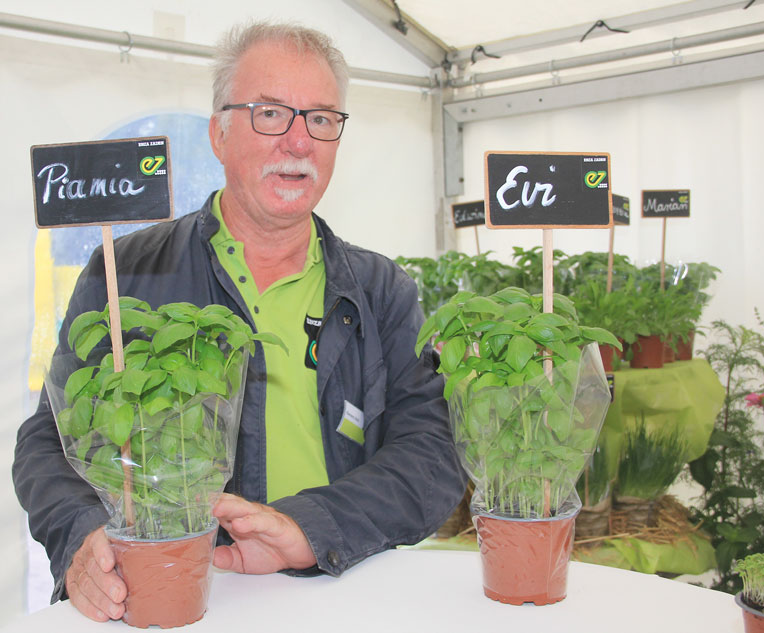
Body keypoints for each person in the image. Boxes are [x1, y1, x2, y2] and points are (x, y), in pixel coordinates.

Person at [13, 20, 465, 622]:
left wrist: (310, 526)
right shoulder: (128, 273)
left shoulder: (379, 289)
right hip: (176, 596)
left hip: (342, 590)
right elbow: (48, 440)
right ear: (218, 134)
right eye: (271, 113)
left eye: (322, 118)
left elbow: (432, 452)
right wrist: (81, 537)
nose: (299, 142)